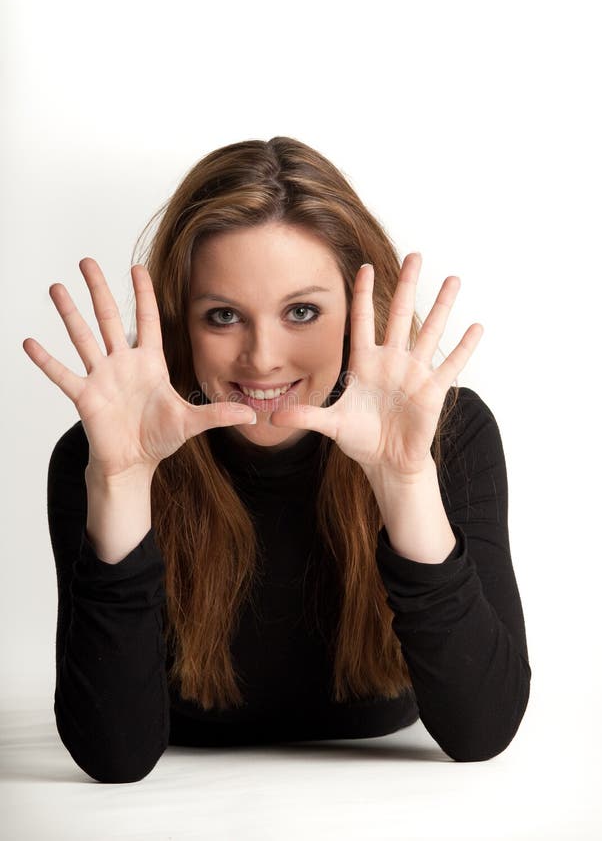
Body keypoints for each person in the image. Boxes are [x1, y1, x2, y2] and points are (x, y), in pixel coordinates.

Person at [23, 136, 531, 784]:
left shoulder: (447, 433)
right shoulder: (99, 456)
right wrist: (122, 484)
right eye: (224, 315)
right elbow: (113, 757)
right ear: (182, 321)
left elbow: (482, 731)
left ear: (355, 309)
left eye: (301, 311)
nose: (262, 358)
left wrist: (403, 481)